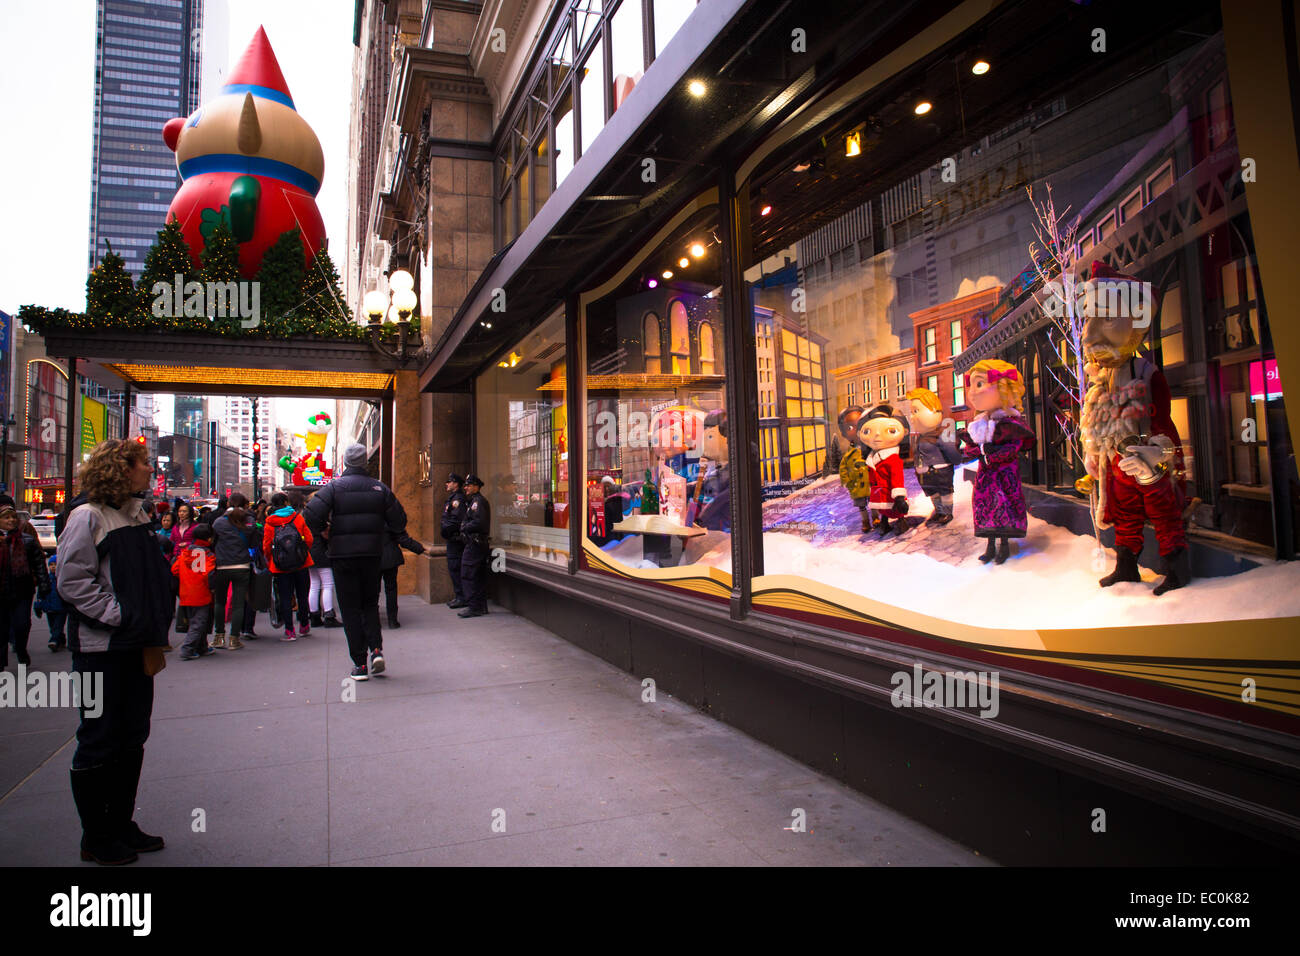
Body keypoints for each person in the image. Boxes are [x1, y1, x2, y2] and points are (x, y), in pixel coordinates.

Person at [58, 438, 172, 865]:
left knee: (131, 737)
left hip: (134, 646)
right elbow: (72, 583)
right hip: (99, 650)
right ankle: (97, 836)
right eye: (144, 463)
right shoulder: (86, 517)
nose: (150, 469)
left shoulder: (135, 512)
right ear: (121, 469)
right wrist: (122, 616)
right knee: (99, 738)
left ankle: (120, 824)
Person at [304, 442, 407, 681]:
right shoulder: (379, 489)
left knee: (350, 609)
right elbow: (399, 521)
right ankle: (376, 650)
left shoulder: (333, 488)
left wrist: (325, 531)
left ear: (345, 462)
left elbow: (310, 515)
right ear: (364, 462)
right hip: (372, 555)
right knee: (370, 604)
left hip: (343, 556)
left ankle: (359, 664)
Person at [0, 504, 52, 667]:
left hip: (22, 590)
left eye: (13, 517)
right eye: (6, 518)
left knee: (21, 624)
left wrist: (44, 585)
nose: (11, 520)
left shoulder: (26, 540)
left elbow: (39, 565)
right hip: (1, 591)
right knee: (1, 627)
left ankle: (21, 649)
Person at [263, 491, 314, 641]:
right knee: (302, 596)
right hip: (301, 563)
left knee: (285, 597)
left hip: (280, 566)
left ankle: (289, 631)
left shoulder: (270, 522)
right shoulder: (297, 518)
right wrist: (302, 553)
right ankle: (304, 626)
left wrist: (271, 559)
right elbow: (309, 539)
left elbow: (266, 546)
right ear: (286, 502)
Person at [208, 504, 253, 649]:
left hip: (222, 565)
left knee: (219, 602)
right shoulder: (246, 524)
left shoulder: (219, 523)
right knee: (238, 604)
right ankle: (234, 639)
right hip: (242, 566)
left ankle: (219, 636)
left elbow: (212, 541)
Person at [171, 524, 217, 660]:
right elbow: (207, 574)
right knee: (199, 622)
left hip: (186, 592)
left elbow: (175, 570)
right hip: (201, 593)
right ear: (209, 539)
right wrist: (213, 588)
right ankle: (187, 649)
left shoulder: (185, 552)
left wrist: (187, 577)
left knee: (196, 621)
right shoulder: (207, 554)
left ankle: (202, 647)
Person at [458, 474, 491, 618]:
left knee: (469, 573)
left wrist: (465, 526)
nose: (466, 487)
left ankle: (474, 607)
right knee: (476, 575)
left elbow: (479, 523)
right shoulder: (474, 501)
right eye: (465, 485)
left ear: (476, 487)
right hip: (475, 544)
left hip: (475, 544)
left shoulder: (478, 502)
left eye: (469, 485)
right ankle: (479, 606)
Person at [380, 528, 426, 628]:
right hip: (390, 556)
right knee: (391, 589)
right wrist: (418, 548)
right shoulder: (389, 515)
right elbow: (401, 536)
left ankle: (373, 621)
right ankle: (392, 620)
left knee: (371, 591)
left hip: (372, 557)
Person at [306, 502, 340, 627]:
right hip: (321, 551)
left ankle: (314, 615)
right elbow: (326, 535)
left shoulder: (306, 515)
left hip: (310, 551)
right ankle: (328, 614)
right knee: (327, 584)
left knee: (314, 584)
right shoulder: (320, 518)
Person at [440, 473, 468, 608]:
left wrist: (445, 529)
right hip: (452, 538)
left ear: (456, 484)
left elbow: (456, 520)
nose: (447, 484)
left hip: (456, 539)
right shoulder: (453, 498)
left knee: (455, 567)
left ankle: (461, 597)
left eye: (449, 482)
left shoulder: (458, 499)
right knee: (453, 567)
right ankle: (459, 596)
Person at [35, 554, 68, 652]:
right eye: (51, 564)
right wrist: (38, 605)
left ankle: (53, 641)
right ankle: (61, 640)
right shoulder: (46, 579)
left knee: (57, 626)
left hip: (61, 608)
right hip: (49, 608)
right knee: (53, 627)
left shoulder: (62, 579)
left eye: (55, 564)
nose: (53, 566)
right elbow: (40, 594)